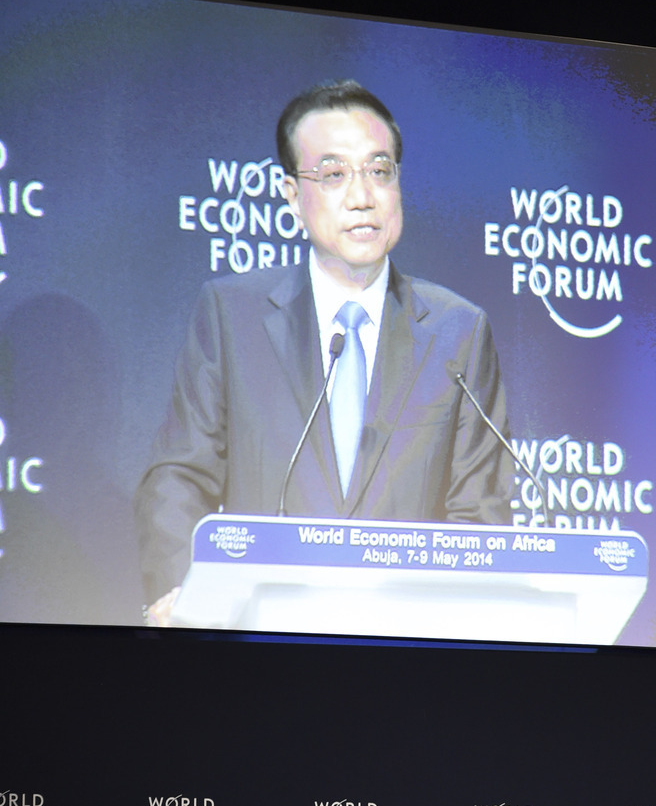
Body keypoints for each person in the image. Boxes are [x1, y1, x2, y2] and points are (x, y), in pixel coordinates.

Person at [136, 80, 514, 624]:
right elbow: (179, 476)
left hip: (406, 640)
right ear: (292, 195)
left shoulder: (458, 331)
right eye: (334, 175)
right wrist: (182, 595)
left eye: (379, 171)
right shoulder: (232, 315)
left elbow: (479, 516)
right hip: (260, 635)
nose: (363, 196)